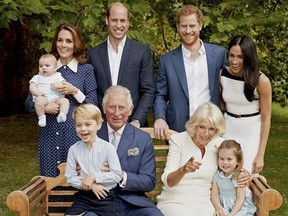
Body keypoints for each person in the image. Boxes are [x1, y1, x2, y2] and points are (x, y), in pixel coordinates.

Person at [26, 23, 98, 177]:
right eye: (60, 40)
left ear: (76, 44)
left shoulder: (86, 70)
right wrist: (44, 109)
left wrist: (75, 91)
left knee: (77, 181)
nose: (63, 45)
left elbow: (93, 104)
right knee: (50, 181)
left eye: (68, 41)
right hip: (49, 134)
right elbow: (28, 102)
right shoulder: (46, 68)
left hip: (75, 135)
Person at [156, 102, 249, 216]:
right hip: (174, 200)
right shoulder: (178, 140)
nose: (206, 133)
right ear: (194, 125)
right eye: (202, 127)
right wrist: (183, 170)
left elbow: (233, 165)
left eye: (211, 129)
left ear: (217, 130)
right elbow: (168, 181)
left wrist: (244, 175)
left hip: (204, 202)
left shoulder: (219, 144)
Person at [153, 5, 227, 138]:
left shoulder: (219, 55)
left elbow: (228, 88)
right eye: (184, 26)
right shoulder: (167, 60)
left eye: (192, 26)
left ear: (200, 25)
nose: (188, 31)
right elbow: (161, 95)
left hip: (211, 129)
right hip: (178, 130)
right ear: (177, 26)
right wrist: (159, 118)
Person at [96, 85, 163, 216]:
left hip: (133, 203)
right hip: (98, 202)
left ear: (130, 110)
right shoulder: (92, 135)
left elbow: (149, 181)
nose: (116, 113)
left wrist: (122, 176)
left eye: (121, 107)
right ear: (104, 108)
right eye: (111, 107)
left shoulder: (142, 139)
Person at [87, 2, 155, 128]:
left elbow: (148, 90)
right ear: (107, 20)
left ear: (128, 22)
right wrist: (98, 120)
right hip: (102, 126)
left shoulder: (142, 52)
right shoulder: (93, 54)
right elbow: (91, 91)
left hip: (133, 125)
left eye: (122, 20)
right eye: (114, 20)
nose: (119, 25)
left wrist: (137, 120)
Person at [220, 35, 272, 173]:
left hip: (251, 133)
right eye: (231, 55)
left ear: (249, 58)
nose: (234, 61)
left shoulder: (261, 81)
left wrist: (260, 155)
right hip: (228, 129)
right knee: (225, 175)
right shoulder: (222, 75)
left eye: (240, 57)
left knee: (245, 177)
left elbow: (266, 119)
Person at [65, 104, 122, 216]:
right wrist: (91, 185)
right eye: (78, 125)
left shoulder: (108, 148)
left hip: (105, 196)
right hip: (84, 197)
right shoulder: (74, 149)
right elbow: (70, 177)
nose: (83, 129)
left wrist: (94, 177)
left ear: (99, 124)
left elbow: (117, 175)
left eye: (88, 124)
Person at [211, 140, 256, 216]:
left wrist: (232, 214)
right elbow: (214, 195)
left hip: (239, 208)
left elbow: (240, 199)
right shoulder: (217, 175)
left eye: (229, 159)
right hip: (224, 206)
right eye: (221, 159)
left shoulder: (239, 176)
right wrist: (218, 208)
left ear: (237, 161)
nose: (225, 162)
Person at [29, 54, 69, 127]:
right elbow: (32, 86)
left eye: (47, 66)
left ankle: (62, 114)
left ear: (55, 68)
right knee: (38, 101)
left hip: (57, 98)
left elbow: (64, 84)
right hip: (43, 97)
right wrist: (37, 93)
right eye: (41, 66)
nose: (43, 68)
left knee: (65, 101)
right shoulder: (37, 77)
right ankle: (41, 117)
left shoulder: (58, 76)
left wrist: (59, 85)